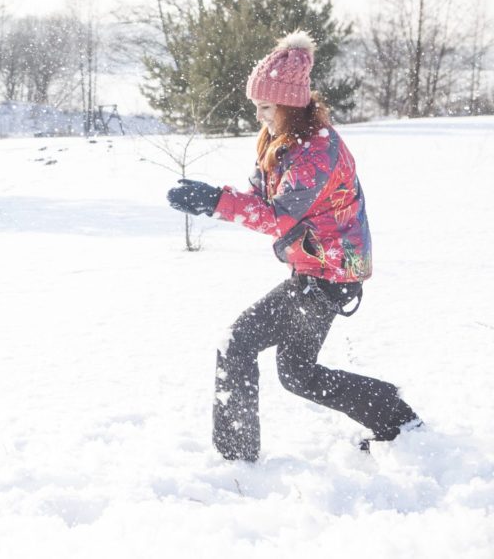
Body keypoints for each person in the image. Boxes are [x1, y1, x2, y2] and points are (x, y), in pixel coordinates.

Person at [166, 31, 420, 462]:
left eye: (266, 107)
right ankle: (396, 419)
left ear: (290, 104)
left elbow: (278, 217)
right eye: (258, 107)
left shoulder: (317, 151)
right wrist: (218, 198)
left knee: (238, 342)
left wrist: (214, 202)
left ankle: (236, 458)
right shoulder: (280, 140)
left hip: (329, 274)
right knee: (298, 374)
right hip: (320, 270)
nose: (259, 115)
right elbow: (259, 195)